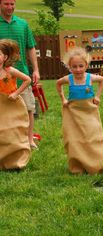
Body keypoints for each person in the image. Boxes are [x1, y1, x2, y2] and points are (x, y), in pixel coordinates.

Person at [56, 47, 103, 174]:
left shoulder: (90, 78)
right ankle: (78, 165)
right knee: (74, 138)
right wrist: (63, 99)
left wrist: (97, 96)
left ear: (86, 65)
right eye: (74, 67)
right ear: (69, 67)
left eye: (81, 66)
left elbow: (102, 80)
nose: (78, 69)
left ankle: (98, 163)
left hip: (89, 111)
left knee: (94, 136)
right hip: (73, 112)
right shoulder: (69, 79)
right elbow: (58, 84)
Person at [0, 0, 40, 149]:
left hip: (21, 73)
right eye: (6, 4)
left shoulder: (23, 24)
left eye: (12, 4)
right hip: (1, 76)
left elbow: (31, 48)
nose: (10, 7)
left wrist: (35, 70)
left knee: (28, 108)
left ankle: (29, 140)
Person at [0, 39, 31, 169]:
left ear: (5, 57)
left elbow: (27, 80)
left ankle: (16, 160)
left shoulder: (10, 70)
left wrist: (16, 93)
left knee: (12, 132)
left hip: (11, 105)